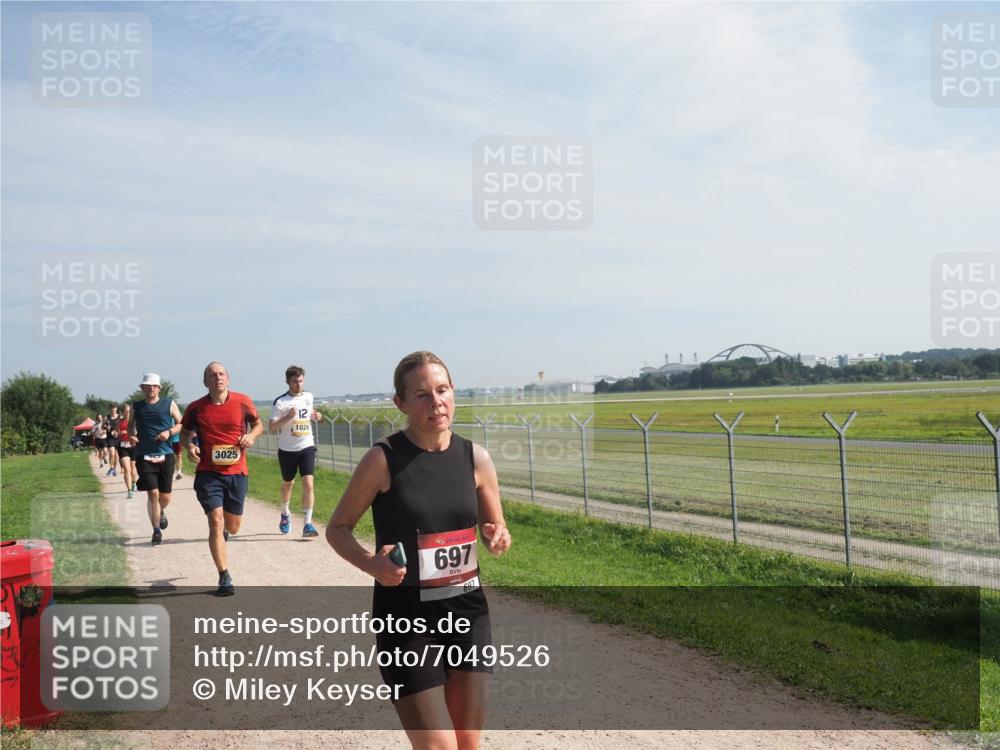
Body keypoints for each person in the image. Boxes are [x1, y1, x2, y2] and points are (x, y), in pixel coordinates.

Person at [326, 351, 511, 749]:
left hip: (467, 612)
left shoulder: (475, 458)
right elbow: (338, 528)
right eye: (422, 394)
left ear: (453, 392)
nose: (436, 402)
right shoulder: (383, 459)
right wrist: (371, 564)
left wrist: (497, 536)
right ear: (402, 404)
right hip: (406, 620)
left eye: (442, 390)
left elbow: (495, 527)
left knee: (468, 744)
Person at [181, 361, 263, 596]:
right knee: (215, 521)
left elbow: (258, 424)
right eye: (212, 374)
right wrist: (190, 447)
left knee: (233, 527)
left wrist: (251, 436)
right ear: (205, 381)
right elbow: (185, 432)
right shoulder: (196, 408)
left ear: (228, 379)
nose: (217, 377)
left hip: (237, 472)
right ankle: (224, 575)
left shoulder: (242, 401)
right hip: (209, 473)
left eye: (221, 374)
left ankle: (225, 533)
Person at [269, 365, 321, 538]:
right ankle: (285, 513)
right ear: (287, 382)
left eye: (301, 381)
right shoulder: (281, 402)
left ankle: (308, 524)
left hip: (306, 445)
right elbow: (272, 427)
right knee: (288, 484)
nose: (298, 384)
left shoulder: (308, 396)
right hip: (287, 449)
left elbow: (308, 416)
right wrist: (287, 417)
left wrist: (316, 416)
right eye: (295, 381)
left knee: (308, 484)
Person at [133, 373, 182, 545]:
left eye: (154, 386)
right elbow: (131, 428)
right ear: (142, 388)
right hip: (144, 455)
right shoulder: (137, 407)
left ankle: (160, 511)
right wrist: (132, 436)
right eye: (148, 386)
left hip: (166, 453)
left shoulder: (169, 404)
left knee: (165, 496)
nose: (151, 388)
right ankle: (156, 531)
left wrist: (168, 432)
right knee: (153, 493)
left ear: (159, 388)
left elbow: (181, 423)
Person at [116, 404, 138, 498]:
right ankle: (129, 491)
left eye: (129, 411)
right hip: (123, 446)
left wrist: (132, 435)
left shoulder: (134, 421)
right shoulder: (119, 421)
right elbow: (117, 433)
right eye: (125, 411)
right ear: (122, 412)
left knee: (133, 468)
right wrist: (119, 433)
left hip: (133, 446)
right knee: (127, 469)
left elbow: (138, 433)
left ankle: (134, 483)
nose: (127, 413)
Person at [105, 406, 120, 477]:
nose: (113, 409)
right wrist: (106, 427)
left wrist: (117, 432)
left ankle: (114, 469)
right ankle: (111, 468)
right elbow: (103, 427)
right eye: (111, 408)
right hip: (110, 438)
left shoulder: (120, 417)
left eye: (114, 408)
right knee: (112, 453)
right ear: (109, 409)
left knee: (116, 455)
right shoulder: (107, 418)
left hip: (118, 438)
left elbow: (122, 426)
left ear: (116, 409)